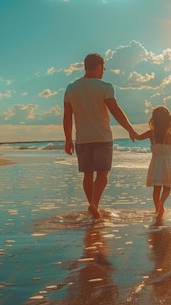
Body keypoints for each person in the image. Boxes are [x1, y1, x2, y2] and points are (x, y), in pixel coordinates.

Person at [63, 53, 137, 219]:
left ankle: (93, 207)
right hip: (102, 137)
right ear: (98, 67)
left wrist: (68, 140)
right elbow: (115, 110)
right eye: (103, 67)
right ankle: (94, 204)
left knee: (88, 175)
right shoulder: (105, 87)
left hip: (82, 138)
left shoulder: (71, 88)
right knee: (102, 174)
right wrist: (129, 129)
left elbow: (67, 116)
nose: (103, 70)